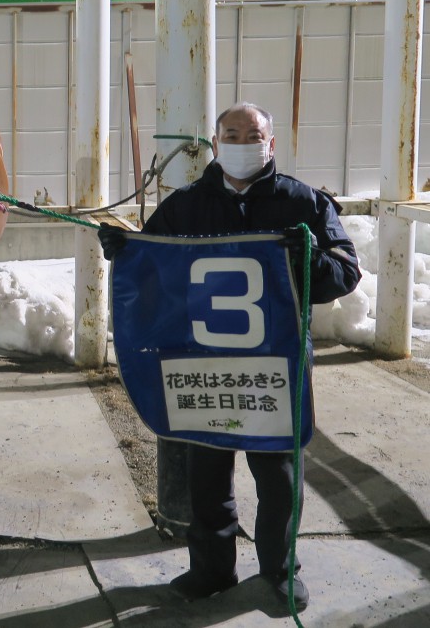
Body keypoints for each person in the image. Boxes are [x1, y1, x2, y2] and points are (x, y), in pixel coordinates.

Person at [98, 102, 361, 611]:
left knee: (279, 478)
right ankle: (211, 570)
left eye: (254, 133)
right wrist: (124, 249)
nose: (244, 143)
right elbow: (153, 270)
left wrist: (308, 258)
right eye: (232, 134)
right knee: (207, 477)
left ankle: (281, 571)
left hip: (275, 367)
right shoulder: (186, 205)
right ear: (216, 144)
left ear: (271, 143)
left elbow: (346, 273)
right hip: (206, 366)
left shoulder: (305, 202)